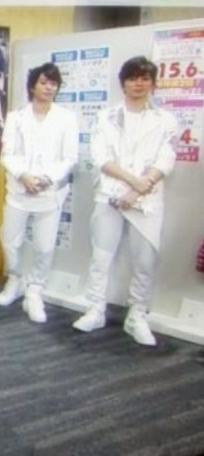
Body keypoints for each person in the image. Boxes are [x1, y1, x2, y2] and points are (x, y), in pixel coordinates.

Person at [72, 56, 178, 346]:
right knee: (101, 257)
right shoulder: (105, 116)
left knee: (145, 261)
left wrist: (140, 188)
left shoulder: (165, 120)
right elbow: (101, 157)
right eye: (132, 78)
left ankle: (137, 316)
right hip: (110, 196)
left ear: (152, 83)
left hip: (146, 199)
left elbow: (166, 159)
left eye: (144, 78)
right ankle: (95, 309)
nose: (138, 84)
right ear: (123, 84)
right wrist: (132, 182)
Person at [0, 64, 78, 324]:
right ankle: (15, 280)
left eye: (53, 83)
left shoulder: (66, 118)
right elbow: (7, 154)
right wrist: (23, 175)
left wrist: (46, 178)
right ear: (33, 86)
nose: (48, 87)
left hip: (49, 192)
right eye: (43, 82)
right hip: (19, 190)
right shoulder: (16, 117)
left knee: (44, 246)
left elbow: (69, 158)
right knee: (10, 241)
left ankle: (34, 290)